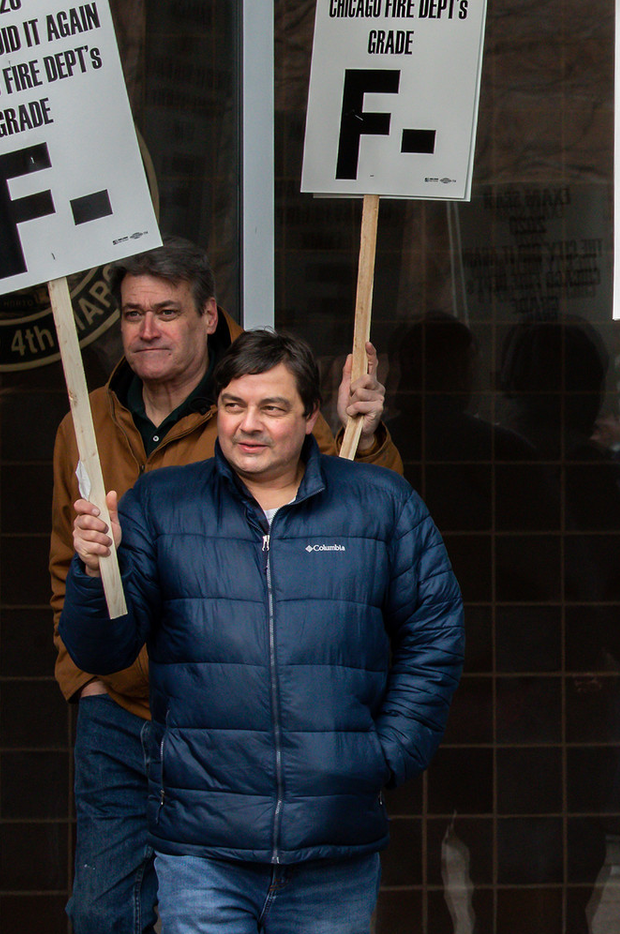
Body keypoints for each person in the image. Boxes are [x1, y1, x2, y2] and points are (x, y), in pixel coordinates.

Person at [47, 238, 401, 934]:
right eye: (132, 313)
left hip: (229, 723)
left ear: (209, 316)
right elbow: (68, 558)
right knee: (102, 913)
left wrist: (368, 426)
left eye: (166, 312)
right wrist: (83, 674)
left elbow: (366, 515)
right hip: (120, 713)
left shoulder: (259, 399)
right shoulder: (83, 423)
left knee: (224, 910)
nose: (146, 330)